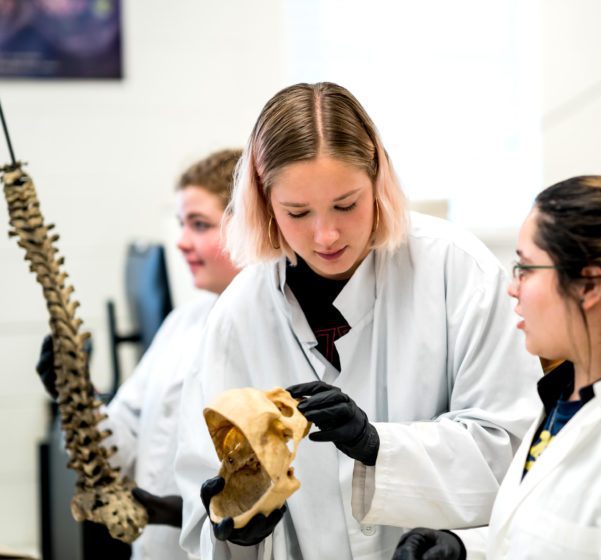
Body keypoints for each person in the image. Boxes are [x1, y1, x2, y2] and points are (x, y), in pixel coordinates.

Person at [173, 82, 542, 560]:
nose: (325, 235)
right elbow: (202, 489)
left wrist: (377, 445)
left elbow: (512, 451)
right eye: (297, 212)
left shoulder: (455, 269)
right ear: (265, 203)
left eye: (346, 205)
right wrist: (238, 525)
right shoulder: (238, 314)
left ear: (378, 179)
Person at [393, 176, 601, 559]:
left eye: (526, 268)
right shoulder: (564, 398)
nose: (513, 288)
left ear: (588, 286)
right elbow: (552, 538)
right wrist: (465, 548)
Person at [35, 148, 242, 560]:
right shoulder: (181, 323)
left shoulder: (273, 334)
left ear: (248, 226)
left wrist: (180, 511)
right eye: (182, 224)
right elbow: (123, 437)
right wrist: (75, 396)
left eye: (199, 225)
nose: (181, 241)